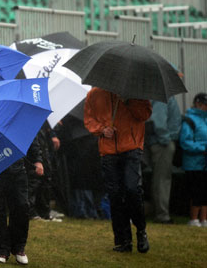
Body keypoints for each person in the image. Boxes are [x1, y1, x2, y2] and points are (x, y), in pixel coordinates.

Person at [84, 87, 152, 253]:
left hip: (132, 147)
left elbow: (144, 115)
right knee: (115, 195)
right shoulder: (94, 93)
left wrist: (128, 101)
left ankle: (141, 230)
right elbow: (89, 119)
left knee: (132, 190)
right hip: (108, 150)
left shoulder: (137, 93)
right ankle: (123, 240)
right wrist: (101, 129)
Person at [0, 136, 43, 264]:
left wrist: (37, 160)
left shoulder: (18, 117)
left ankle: (19, 248)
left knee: (22, 207)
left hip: (17, 169)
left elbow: (30, 136)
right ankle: (0, 250)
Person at [143, 96, 182, 224]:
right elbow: (158, 120)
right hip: (162, 143)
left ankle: (158, 211)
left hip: (160, 141)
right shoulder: (163, 96)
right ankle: (162, 215)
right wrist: (166, 139)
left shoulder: (161, 95)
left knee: (159, 179)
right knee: (162, 180)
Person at [179, 92, 207, 227]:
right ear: (198, 104)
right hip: (193, 163)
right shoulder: (189, 120)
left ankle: (204, 219)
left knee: (205, 191)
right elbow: (185, 142)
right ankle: (194, 218)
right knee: (197, 190)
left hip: (204, 163)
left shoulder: (205, 120)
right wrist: (203, 148)